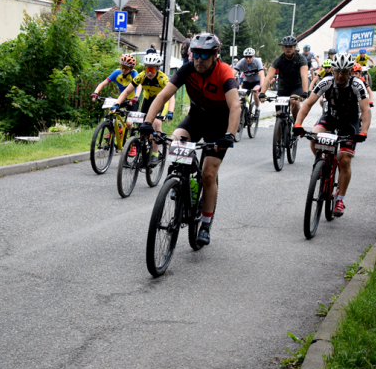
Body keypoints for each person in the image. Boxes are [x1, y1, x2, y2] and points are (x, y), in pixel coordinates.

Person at [139, 33, 240, 246]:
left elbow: (235, 107)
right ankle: (180, 181)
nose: (199, 59)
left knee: (209, 174)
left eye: (204, 54)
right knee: (175, 142)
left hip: (219, 124)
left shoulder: (225, 73)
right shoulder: (188, 69)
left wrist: (229, 135)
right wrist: (148, 122)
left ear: (215, 55)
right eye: (196, 54)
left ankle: (204, 224)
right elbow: (162, 96)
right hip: (196, 118)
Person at [293, 53, 371, 217]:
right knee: (314, 136)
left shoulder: (357, 84)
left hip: (349, 122)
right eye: (337, 71)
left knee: (344, 159)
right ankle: (324, 163)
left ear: (350, 71)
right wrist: (298, 124)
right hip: (331, 117)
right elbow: (307, 104)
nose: (340, 75)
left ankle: (340, 198)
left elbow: (365, 110)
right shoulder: (326, 82)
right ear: (332, 70)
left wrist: (363, 131)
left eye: (344, 71)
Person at [112, 53, 175, 166]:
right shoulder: (141, 76)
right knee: (142, 126)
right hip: (147, 100)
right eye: (147, 69)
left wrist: (170, 112)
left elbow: (171, 96)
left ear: (157, 68)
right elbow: (127, 91)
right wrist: (117, 103)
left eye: (152, 69)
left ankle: (155, 154)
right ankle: (142, 154)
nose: (149, 72)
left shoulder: (162, 79)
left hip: (161, 101)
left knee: (156, 122)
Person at [260, 35, 310, 122]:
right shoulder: (278, 60)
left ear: (294, 47)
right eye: (286, 47)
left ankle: (296, 123)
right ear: (283, 48)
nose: (288, 49)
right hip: (283, 88)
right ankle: (279, 131)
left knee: (294, 101)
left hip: (297, 87)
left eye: (290, 47)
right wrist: (262, 93)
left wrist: (305, 92)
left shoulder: (301, 59)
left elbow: (304, 76)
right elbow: (269, 77)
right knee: (279, 116)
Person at [91, 54, 141, 135]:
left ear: (131, 68)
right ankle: (116, 128)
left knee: (128, 123)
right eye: (122, 66)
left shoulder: (134, 73)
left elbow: (139, 86)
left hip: (133, 99)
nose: (123, 69)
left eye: (126, 68)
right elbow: (103, 83)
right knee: (112, 109)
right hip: (123, 98)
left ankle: (133, 143)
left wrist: (136, 97)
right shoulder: (117, 72)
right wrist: (95, 92)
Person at [234, 47, 266, 116]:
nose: (248, 59)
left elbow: (261, 75)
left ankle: (257, 109)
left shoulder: (257, 61)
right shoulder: (242, 61)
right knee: (241, 99)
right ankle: (243, 111)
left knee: (255, 92)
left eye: (250, 57)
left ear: (253, 56)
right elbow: (232, 73)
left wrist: (261, 87)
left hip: (256, 81)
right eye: (246, 57)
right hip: (247, 82)